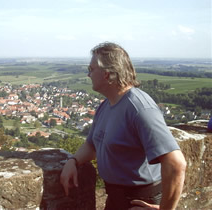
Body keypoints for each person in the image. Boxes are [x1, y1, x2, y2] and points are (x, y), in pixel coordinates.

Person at [60, 42, 187, 210]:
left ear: (107, 74)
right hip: (115, 198)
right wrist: (73, 161)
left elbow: (176, 164)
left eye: (91, 69)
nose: (88, 74)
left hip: (140, 200)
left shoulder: (139, 108)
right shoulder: (106, 105)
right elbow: (92, 145)